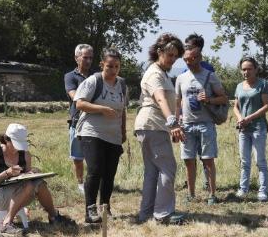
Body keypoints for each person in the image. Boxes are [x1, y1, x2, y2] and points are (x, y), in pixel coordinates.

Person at [0, 123, 75, 232]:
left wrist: (32, 173)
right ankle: (7, 223)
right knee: (29, 185)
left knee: (39, 183)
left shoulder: (25, 155)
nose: (18, 148)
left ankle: (53, 216)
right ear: (7, 140)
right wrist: (6, 174)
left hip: (22, 194)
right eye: (16, 144)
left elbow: (27, 177)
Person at [73, 48, 128, 224]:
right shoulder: (93, 81)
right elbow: (80, 103)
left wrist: (123, 130)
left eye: (117, 66)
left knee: (109, 173)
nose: (113, 70)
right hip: (91, 132)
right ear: (102, 65)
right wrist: (102, 109)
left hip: (113, 134)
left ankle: (105, 207)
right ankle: (90, 210)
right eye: (109, 66)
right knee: (95, 170)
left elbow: (123, 110)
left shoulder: (122, 85)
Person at [135, 33, 185, 224]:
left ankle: (147, 213)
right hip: (153, 124)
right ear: (159, 52)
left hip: (151, 126)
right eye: (169, 55)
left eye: (175, 56)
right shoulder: (155, 73)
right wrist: (172, 121)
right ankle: (163, 214)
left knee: (152, 171)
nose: (172, 59)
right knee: (167, 168)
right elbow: (160, 98)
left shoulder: (161, 72)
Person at [176, 45, 227, 204]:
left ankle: (212, 195)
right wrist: (177, 122)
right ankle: (191, 195)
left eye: (191, 58)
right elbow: (177, 102)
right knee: (188, 160)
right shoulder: (180, 78)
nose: (188, 62)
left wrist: (209, 100)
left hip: (206, 124)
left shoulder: (210, 76)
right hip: (187, 125)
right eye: (185, 59)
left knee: (208, 160)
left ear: (199, 58)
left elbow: (224, 98)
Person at [232, 56, 268, 202]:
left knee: (260, 160)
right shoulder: (239, 86)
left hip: (258, 128)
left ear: (255, 69)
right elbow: (235, 106)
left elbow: (267, 106)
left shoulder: (262, 84)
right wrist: (240, 118)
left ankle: (263, 191)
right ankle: (243, 189)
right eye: (243, 69)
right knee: (244, 161)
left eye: (249, 69)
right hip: (243, 129)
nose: (246, 72)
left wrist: (249, 118)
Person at [64, 43, 96, 195]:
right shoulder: (70, 77)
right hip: (77, 122)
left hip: (95, 121)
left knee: (94, 155)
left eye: (90, 58)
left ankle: (94, 181)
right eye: (85, 57)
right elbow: (75, 97)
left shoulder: (96, 76)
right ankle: (80, 183)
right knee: (78, 156)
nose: (88, 61)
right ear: (77, 58)